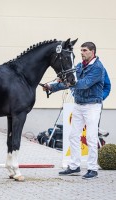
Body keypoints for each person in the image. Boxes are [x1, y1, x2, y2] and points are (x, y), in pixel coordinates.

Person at [44, 42, 105, 179]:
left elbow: (83, 84)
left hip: (92, 106)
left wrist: (65, 82)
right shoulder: (79, 66)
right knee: (73, 136)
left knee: (90, 137)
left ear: (92, 52)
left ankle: (92, 169)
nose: (82, 53)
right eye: (81, 50)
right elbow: (69, 80)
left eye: (84, 50)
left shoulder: (97, 68)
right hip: (79, 105)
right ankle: (74, 166)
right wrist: (51, 87)